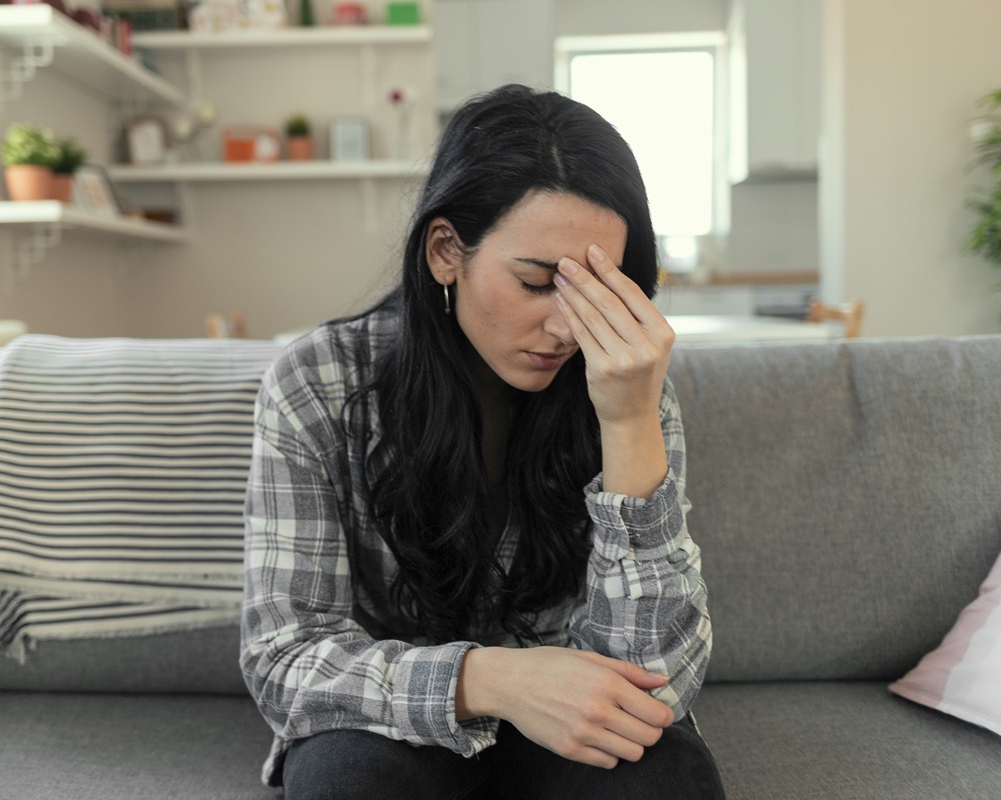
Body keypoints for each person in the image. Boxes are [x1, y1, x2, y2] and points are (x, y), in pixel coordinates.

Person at [239, 84, 724, 799]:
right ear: (445, 252)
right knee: (352, 781)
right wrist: (493, 678)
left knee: (667, 776)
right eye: (537, 283)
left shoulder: (626, 384)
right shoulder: (321, 384)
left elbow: (657, 680)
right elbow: (284, 659)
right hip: (394, 725)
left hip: (572, 732)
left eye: (598, 291)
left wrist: (627, 425)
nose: (568, 328)